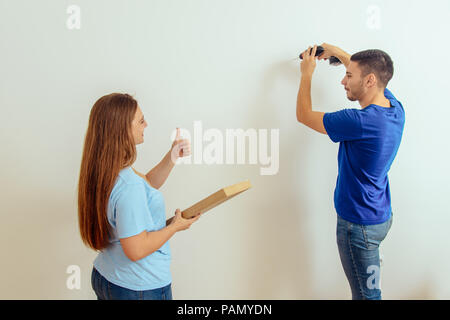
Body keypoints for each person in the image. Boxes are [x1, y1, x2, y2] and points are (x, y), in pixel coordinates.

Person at [296, 43, 405, 299]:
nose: (342, 81)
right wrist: (340, 54)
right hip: (379, 217)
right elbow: (374, 78)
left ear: (369, 80)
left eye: (349, 75)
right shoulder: (395, 109)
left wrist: (307, 74)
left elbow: (304, 115)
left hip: (359, 227)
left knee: (367, 296)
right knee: (368, 291)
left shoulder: (357, 122)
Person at [78, 93, 201, 300]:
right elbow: (136, 249)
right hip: (138, 287)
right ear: (122, 130)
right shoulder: (128, 186)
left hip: (107, 276)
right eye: (141, 121)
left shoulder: (106, 170)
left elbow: (148, 183)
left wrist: (172, 156)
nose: (146, 124)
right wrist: (175, 226)